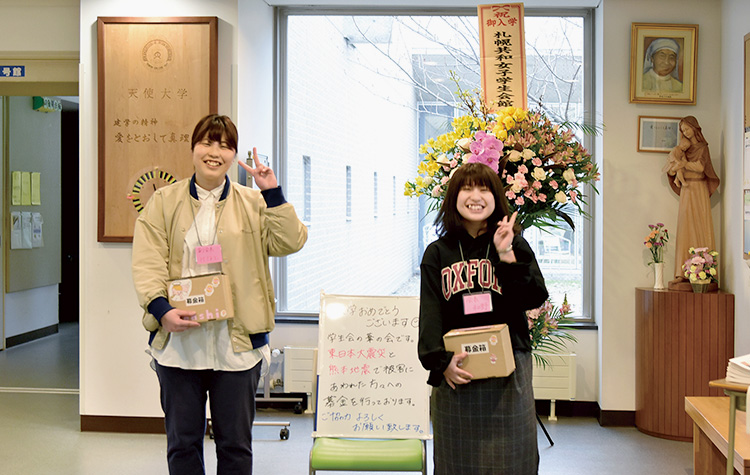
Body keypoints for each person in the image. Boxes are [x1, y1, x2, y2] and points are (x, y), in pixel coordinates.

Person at [131, 114, 307, 474]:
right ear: (193, 148)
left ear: (234, 155)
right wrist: (161, 309)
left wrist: (272, 192)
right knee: (182, 444)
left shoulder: (253, 202)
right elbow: (148, 260)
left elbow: (291, 241)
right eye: (207, 142)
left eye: (225, 146)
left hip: (236, 344)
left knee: (235, 445)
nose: (215, 152)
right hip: (180, 343)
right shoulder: (164, 201)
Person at [417, 162, 548, 474]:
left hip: (509, 371)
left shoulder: (513, 243)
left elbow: (533, 298)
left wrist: (505, 254)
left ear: (496, 197)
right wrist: (440, 362)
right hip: (457, 369)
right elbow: (430, 313)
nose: (475, 197)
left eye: (484, 189)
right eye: (467, 189)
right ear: (454, 198)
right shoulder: (438, 252)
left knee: (513, 460)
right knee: (457, 462)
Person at [665, 116, 719, 285]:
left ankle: (705, 270)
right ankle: (682, 272)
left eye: (687, 129)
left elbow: (701, 167)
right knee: (685, 227)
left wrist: (683, 164)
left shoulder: (702, 148)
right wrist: (675, 166)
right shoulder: (683, 149)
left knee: (701, 225)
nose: (686, 132)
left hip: (699, 189)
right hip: (687, 190)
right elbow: (672, 168)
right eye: (683, 130)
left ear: (695, 128)